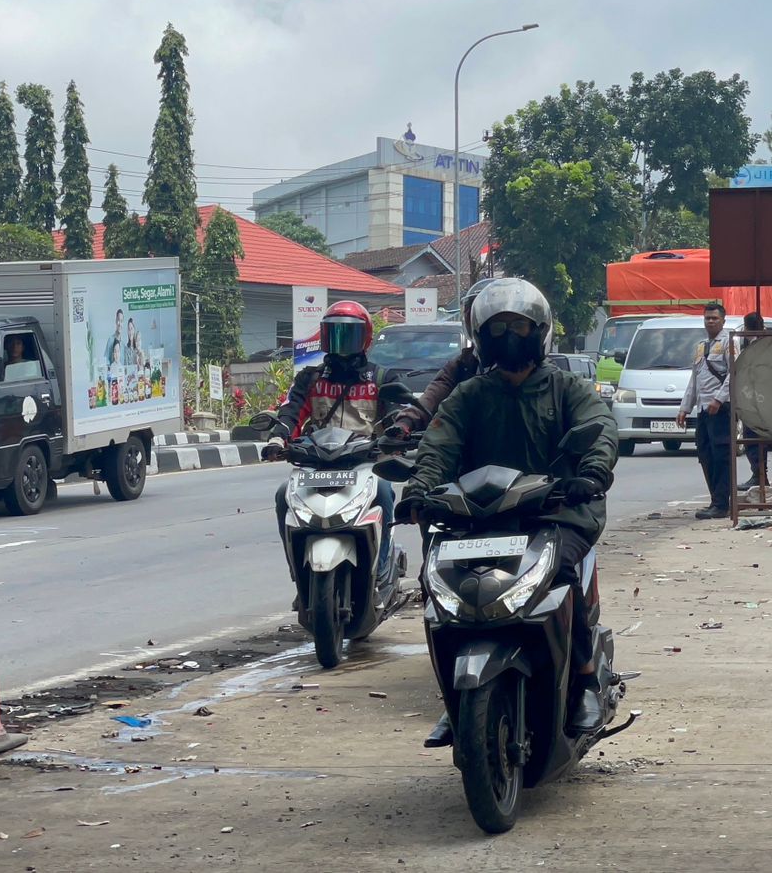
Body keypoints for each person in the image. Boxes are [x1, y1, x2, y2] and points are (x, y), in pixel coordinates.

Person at [401, 278, 618, 743]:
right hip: (480, 516)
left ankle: (582, 679)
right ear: (480, 337)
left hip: (557, 513)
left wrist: (592, 473)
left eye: (518, 327)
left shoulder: (566, 388)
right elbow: (438, 443)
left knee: (560, 576)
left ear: (539, 332)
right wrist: (419, 489)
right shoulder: (470, 394)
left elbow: (598, 425)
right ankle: (454, 695)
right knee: (437, 585)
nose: (508, 338)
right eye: (497, 329)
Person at [264, 301, 403, 581]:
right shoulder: (310, 378)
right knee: (282, 496)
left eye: (348, 335)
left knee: (386, 493)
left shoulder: (381, 378)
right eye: (334, 335)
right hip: (317, 463)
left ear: (364, 339)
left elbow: (395, 416)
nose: (341, 344)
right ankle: (298, 573)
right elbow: (291, 411)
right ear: (325, 338)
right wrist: (278, 438)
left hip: (364, 464)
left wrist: (397, 434)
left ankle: (383, 570)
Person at [394, 277, 496, 435]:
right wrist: (405, 422)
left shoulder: (540, 375)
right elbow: (433, 396)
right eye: (474, 317)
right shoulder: (464, 364)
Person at [676, 303, 734, 519]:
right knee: (705, 454)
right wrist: (685, 408)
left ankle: (721, 504)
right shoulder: (701, 346)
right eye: (707, 318)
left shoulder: (729, 342)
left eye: (714, 318)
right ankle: (715, 500)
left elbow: (733, 374)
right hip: (702, 409)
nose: (710, 321)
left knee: (721, 456)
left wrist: (719, 399)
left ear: (723, 321)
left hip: (720, 408)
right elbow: (695, 379)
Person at [738, 311, 767, 488]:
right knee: (757, 438)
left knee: (753, 438)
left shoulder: (754, 346)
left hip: (756, 400)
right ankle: (760, 475)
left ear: (747, 327)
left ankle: (759, 475)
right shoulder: (768, 343)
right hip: (763, 398)